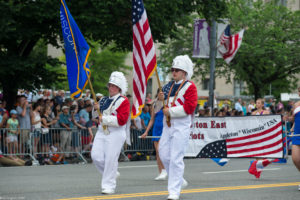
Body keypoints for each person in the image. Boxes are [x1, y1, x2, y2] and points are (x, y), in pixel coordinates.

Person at [158, 55, 198, 200]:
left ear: (184, 72)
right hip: (168, 125)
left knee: (176, 158)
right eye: (173, 69)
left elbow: (189, 108)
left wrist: (171, 111)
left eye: (177, 70)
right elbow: (160, 107)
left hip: (181, 125)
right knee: (163, 154)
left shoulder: (190, 86)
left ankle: (174, 191)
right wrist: (161, 100)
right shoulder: (168, 87)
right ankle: (179, 180)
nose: (174, 72)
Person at [91, 71, 130, 194]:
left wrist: (105, 119)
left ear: (119, 88)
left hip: (116, 132)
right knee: (95, 156)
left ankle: (109, 186)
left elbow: (122, 120)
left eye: (114, 86)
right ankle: (112, 173)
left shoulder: (123, 101)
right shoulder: (103, 100)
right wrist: (94, 109)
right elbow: (94, 117)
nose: (111, 88)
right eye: (110, 85)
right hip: (102, 131)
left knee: (110, 160)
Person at [141, 89, 167, 181]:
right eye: (160, 92)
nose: (161, 94)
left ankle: (165, 170)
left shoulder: (167, 103)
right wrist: (146, 131)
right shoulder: (154, 104)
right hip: (156, 129)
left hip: (165, 129)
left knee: (161, 151)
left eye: (163, 93)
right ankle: (161, 172)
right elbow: (152, 119)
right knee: (158, 152)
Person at [290, 87, 300, 191]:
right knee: (295, 159)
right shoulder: (296, 105)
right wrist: (288, 119)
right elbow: (294, 119)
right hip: (297, 134)